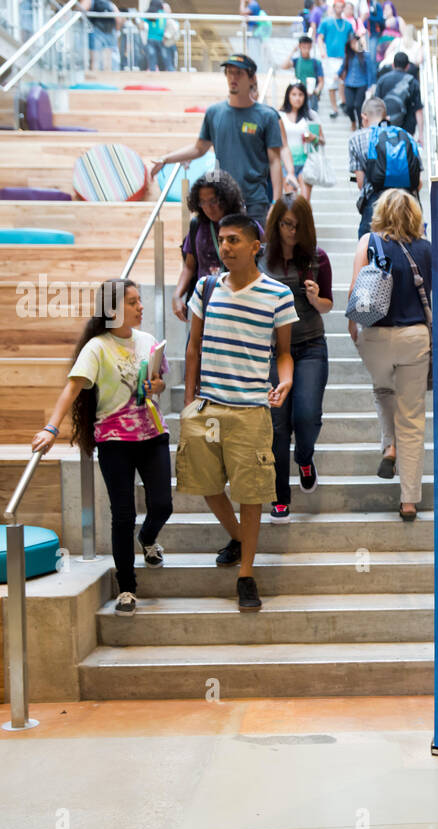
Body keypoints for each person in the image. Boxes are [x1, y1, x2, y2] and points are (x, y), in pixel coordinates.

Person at [32, 279, 172, 617]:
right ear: (112, 310)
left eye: (141, 301)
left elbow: (160, 381)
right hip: (114, 441)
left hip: (152, 434)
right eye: (133, 302)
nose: (141, 307)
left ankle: (148, 538)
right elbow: (72, 389)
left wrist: (157, 385)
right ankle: (127, 587)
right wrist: (51, 427)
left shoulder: (148, 341)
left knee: (163, 505)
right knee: (123, 515)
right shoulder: (96, 347)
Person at [181, 214, 298, 611]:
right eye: (221, 240)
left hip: (251, 409)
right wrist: (189, 402)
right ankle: (236, 536)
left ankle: (245, 574)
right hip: (208, 407)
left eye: (233, 240)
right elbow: (193, 347)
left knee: (251, 494)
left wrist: (285, 381)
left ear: (255, 246)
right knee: (205, 484)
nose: (225, 247)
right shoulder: (206, 287)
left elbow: (284, 352)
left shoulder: (277, 294)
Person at [349, 189, 432, 521]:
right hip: (415, 336)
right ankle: (409, 501)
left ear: (381, 211)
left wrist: (355, 332)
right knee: (412, 418)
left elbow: (356, 288)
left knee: (383, 389)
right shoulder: (427, 249)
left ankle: (390, 445)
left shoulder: (368, 242)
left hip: (376, 335)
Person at [262, 196, 333, 520]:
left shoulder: (318, 258)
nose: (292, 231)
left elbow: (328, 305)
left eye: (297, 225)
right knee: (278, 427)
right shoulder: (261, 259)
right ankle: (280, 495)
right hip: (273, 351)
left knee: (306, 415)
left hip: (310, 345)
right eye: (286, 224)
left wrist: (316, 298)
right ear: (276, 224)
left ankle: (304, 458)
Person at [150, 54, 284, 222]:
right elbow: (199, 148)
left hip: (255, 202)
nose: (233, 77)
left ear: (252, 78)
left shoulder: (267, 116)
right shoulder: (214, 113)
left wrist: (276, 202)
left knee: (256, 248)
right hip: (223, 202)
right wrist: (166, 159)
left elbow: (275, 160)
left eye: (239, 73)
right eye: (229, 72)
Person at [173, 169, 258, 322]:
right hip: (205, 302)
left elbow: (260, 264)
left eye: (213, 201)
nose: (208, 208)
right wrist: (177, 295)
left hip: (239, 301)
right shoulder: (196, 225)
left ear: (226, 199)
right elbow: (189, 267)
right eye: (202, 202)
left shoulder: (246, 224)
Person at [348, 96, 421, 237]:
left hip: (375, 203)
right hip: (406, 202)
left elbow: (361, 183)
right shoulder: (406, 136)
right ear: (386, 116)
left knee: (370, 249)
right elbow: (419, 183)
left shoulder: (356, 138)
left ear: (364, 116)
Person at [278, 83, 324, 201]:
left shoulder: (311, 115)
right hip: (286, 164)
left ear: (305, 96)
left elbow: (322, 140)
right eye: (293, 94)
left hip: (306, 163)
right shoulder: (280, 116)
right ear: (288, 96)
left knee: (305, 202)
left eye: (300, 95)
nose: (297, 98)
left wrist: (314, 138)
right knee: (290, 202)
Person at [317, 1, 354, 117]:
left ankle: (343, 102)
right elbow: (319, 38)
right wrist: (322, 51)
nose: (339, 9)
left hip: (343, 58)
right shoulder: (326, 22)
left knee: (342, 80)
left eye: (341, 7)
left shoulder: (347, 25)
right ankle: (334, 108)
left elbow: (352, 41)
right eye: (337, 6)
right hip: (330, 58)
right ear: (333, 7)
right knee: (330, 83)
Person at [373, 52, 422, 136]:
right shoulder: (413, 82)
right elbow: (418, 110)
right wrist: (421, 134)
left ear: (393, 65)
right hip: (406, 130)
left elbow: (376, 105)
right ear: (407, 66)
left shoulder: (382, 80)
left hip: (386, 127)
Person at [338, 32, 374, 130]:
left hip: (361, 84)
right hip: (349, 83)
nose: (354, 44)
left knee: (359, 106)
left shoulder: (365, 56)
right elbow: (342, 68)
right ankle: (353, 121)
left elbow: (370, 72)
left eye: (355, 42)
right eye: (352, 43)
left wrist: (370, 85)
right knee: (349, 106)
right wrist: (337, 75)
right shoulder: (348, 56)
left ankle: (360, 125)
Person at [81, 0, 124, 71]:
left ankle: (95, 79)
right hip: (110, 32)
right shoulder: (110, 4)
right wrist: (116, 31)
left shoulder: (90, 1)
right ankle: (108, 79)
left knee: (95, 62)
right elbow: (118, 19)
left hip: (96, 31)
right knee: (108, 62)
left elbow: (81, 9)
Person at [289, 34, 325, 113]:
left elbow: (321, 81)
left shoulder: (316, 63)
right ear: (299, 46)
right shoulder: (296, 61)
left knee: (311, 117)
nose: (306, 50)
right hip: (299, 94)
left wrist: (316, 90)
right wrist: (293, 51)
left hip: (311, 96)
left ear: (311, 47)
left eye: (308, 47)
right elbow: (284, 66)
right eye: (303, 47)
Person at [143, 0, 170, 71]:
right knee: (164, 56)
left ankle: (154, 70)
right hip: (157, 38)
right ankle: (170, 70)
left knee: (153, 56)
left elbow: (142, 25)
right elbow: (166, 25)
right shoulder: (161, 13)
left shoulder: (150, 13)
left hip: (154, 38)